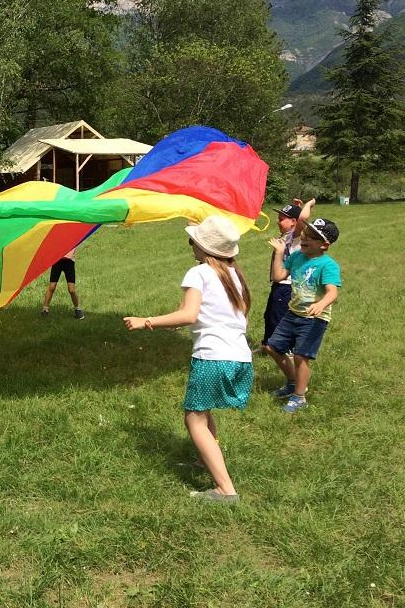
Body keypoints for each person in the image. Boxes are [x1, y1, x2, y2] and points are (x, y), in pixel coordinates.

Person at [124, 216, 253, 505]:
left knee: (193, 418)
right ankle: (202, 460)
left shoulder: (199, 273)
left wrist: (147, 321)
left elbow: (189, 315)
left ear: (204, 248)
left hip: (212, 358)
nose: (190, 244)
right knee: (204, 411)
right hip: (239, 357)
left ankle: (225, 490)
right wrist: (175, 323)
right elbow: (209, 314)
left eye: (193, 240)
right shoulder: (234, 274)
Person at [264, 216, 341, 413]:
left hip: (314, 318)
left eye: (312, 237)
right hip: (293, 313)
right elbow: (278, 276)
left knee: (301, 356)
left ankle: (299, 397)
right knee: (272, 347)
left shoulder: (327, 265)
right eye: (305, 234)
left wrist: (321, 304)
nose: (305, 238)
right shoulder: (297, 257)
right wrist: (279, 253)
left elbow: (332, 291)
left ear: (324, 245)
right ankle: (292, 383)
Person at [259, 199, 311, 350]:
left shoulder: (297, 237)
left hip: (286, 286)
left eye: (281, 219)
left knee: (278, 318)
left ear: (293, 222)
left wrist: (309, 204)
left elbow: (302, 219)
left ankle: (282, 349)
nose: (278, 222)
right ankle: (268, 345)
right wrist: (296, 207)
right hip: (278, 285)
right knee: (269, 316)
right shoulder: (289, 235)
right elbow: (298, 219)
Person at [42, 248, 84, 319]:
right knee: (52, 287)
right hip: (57, 261)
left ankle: (77, 309)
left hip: (69, 263)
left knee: (72, 290)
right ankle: (45, 309)